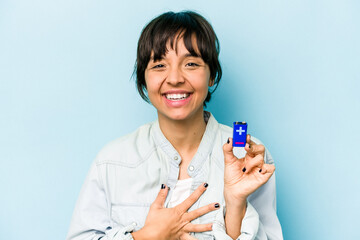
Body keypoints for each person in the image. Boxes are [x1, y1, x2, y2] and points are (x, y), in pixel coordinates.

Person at [66, 10, 283, 240]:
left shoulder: (248, 157)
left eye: (190, 63)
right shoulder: (111, 162)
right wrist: (145, 237)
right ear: (144, 78)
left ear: (211, 76)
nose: (175, 78)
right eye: (159, 65)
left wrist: (235, 205)